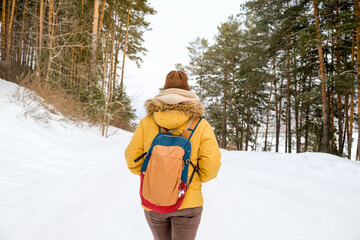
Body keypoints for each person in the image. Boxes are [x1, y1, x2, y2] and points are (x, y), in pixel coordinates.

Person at [125, 70, 221, 240]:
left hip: (154, 199)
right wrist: (196, 177)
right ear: (189, 92)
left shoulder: (148, 121)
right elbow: (211, 165)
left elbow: (131, 157)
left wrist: (155, 172)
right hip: (188, 201)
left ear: (164, 91)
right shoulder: (201, 124)